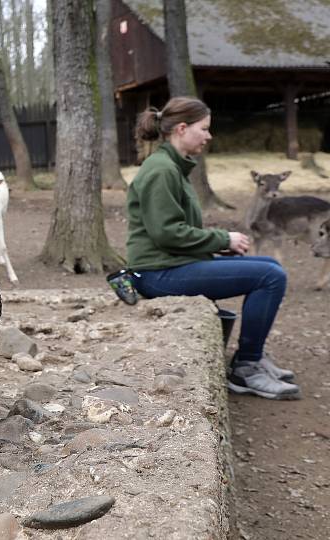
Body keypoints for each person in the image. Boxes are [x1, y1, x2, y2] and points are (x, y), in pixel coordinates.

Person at [125, 96, 300, 400]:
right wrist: (223, 239)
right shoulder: (161, 170)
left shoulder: (173, 168)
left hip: (170, 264)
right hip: (157, 273)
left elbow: (175, 233)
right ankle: (246, 367)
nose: (209, 136)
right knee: (270, 277)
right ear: (182, 128)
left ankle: (253, 357)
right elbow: (166, 234)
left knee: (272, 267)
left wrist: (218, 249)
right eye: (204, 129)